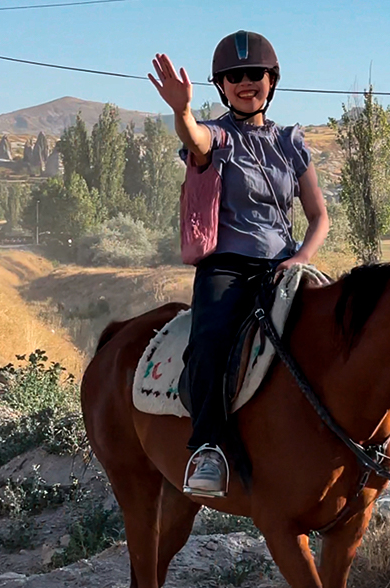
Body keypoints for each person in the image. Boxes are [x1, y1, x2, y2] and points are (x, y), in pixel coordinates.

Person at [148, 31, 329, 497]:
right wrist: (182, 111)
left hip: (285, 267)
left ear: (271, 80)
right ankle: (208, 448)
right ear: (222, 86)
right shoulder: (217, 135)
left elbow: (319, 217)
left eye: (255, 74)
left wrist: (302, 258)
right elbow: (194, 138)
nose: (246, 82)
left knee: (344, 326)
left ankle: (372, 435)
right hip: (227, 268)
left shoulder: (291, 142)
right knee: (210, 340)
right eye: (234, 76)